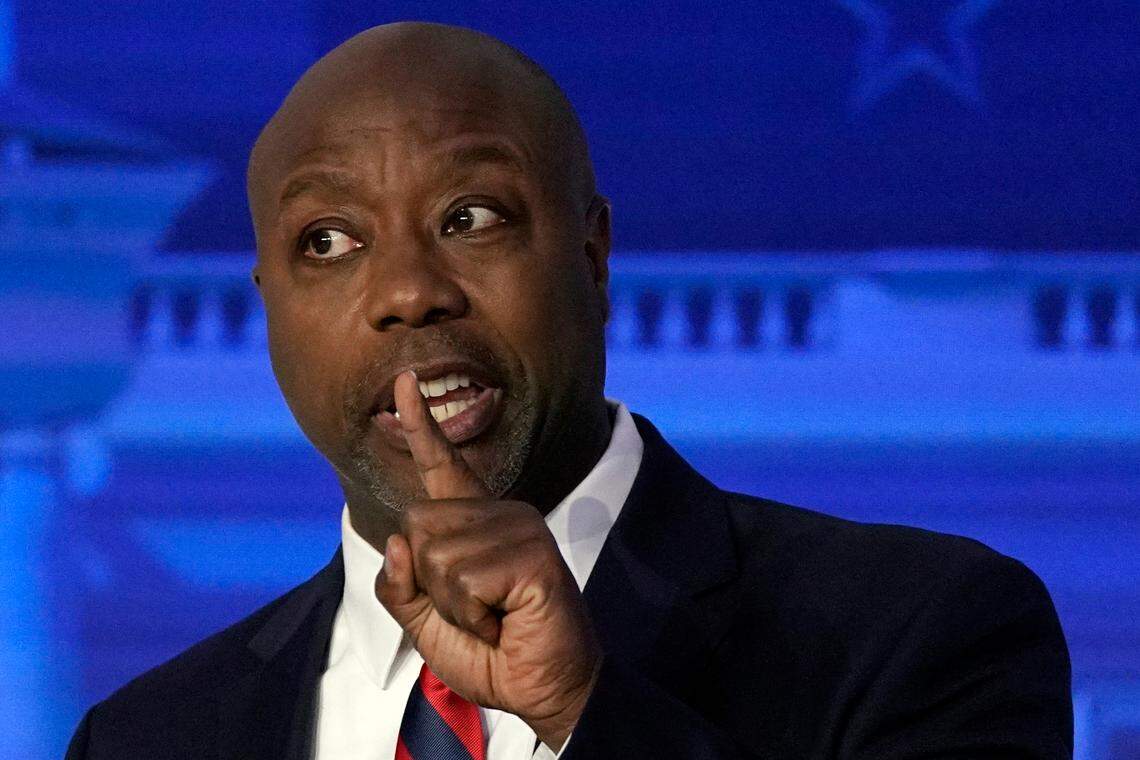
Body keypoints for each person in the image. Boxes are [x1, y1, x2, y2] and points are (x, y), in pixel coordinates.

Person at [65, 21, 1072, 760]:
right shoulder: (147, 736)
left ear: (592, 257)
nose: (410, 291)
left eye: (470, 217)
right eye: (327, 242)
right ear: (272, 311)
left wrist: (587, 711)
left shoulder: (925, 632)